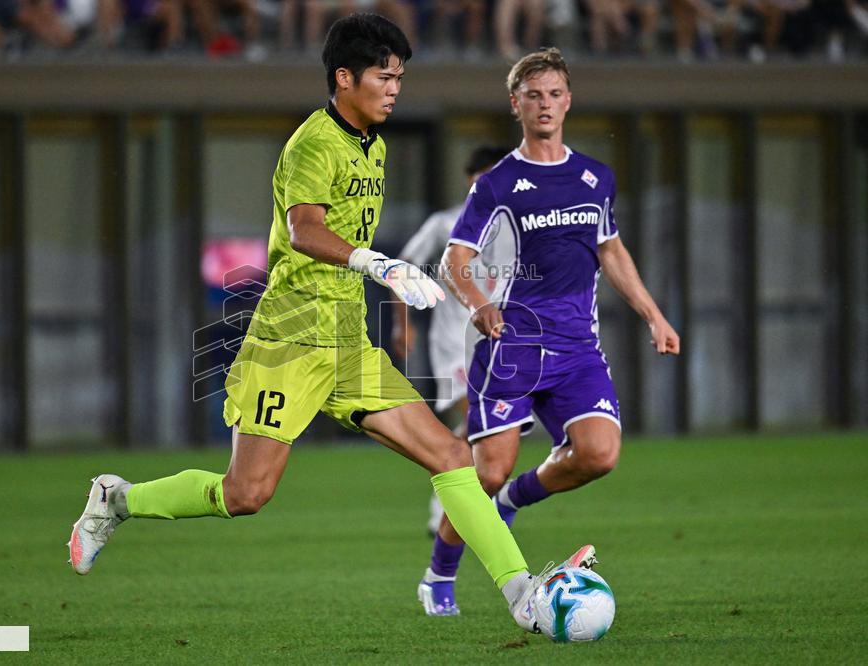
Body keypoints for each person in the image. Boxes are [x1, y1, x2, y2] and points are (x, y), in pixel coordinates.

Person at [68, 13, 589, 634]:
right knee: (247, 495)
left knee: (451, 455)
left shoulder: (375, 142)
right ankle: (118, 499)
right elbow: (304, 229)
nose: (395, 88)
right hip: (287, 339)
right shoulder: (313, 143)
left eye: (400, 77)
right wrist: (379, 264)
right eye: (383, 76)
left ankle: (522, 593)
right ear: (344, 78)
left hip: (346, 342)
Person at [417, 47, 680, 617]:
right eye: (533, 95)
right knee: (484, 473)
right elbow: (454, 259)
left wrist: (653, 314)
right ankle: (438, 575)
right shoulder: (498, 183)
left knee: (599, 454)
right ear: (516, 105)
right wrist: (480, 304)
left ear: (568, 101)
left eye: (555, 93)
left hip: (576, 349)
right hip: (510, 348)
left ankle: (516, 499)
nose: (545, 104)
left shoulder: (595, 176)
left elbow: (609, 248)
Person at [390, 144, 508, 536]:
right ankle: (453, 508)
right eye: (481, 180)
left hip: (498, 341)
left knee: (483, 424)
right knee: (475, 417)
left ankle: (453, 500)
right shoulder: (446, 223)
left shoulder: (516, 226)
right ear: (468, 181)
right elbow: (403, 266)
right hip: (453, 342)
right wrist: (402, 324)